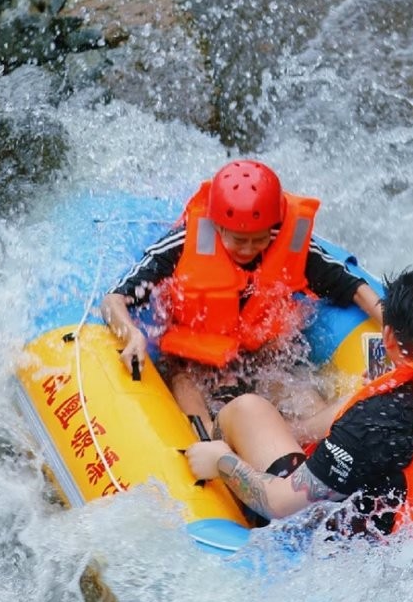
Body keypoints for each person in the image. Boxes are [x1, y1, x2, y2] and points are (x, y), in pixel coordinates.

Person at [184, 269, 413, 534]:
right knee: (309, 399)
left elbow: (279, 504)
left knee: (249, 410)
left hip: (364, 549)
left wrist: (223, 461)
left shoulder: (379, 418)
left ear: (390, 337)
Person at [100, 159, 383, 432]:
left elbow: (352, 287)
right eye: (238, 240)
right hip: (194, 363)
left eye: (258, 239)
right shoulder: (184, 244)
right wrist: (131, 334)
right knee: (185, 386)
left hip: (263, 360)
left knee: (307, 400)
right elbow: (114, 299)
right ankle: (213, 447)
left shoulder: (292, 245)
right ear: (219, 226)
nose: (248, 249)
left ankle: (312, 452)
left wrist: (394, 328)